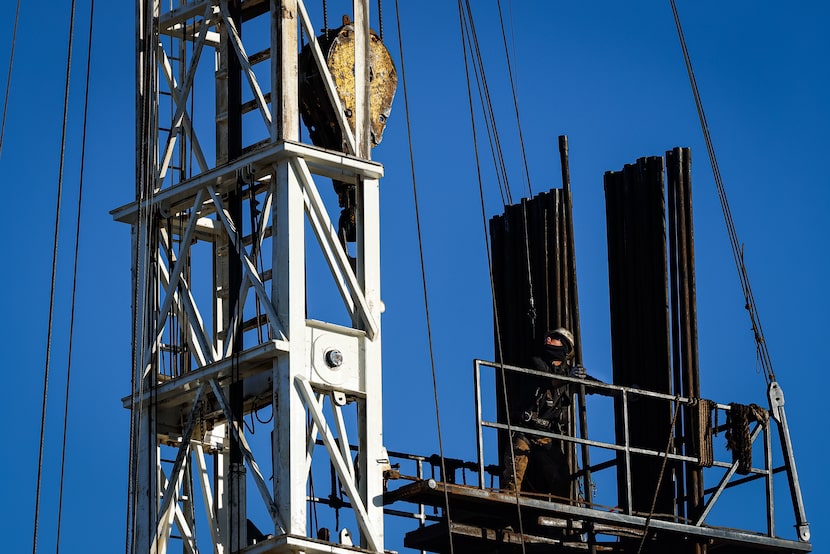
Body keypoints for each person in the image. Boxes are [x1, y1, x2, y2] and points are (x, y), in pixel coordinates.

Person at [502, 328, 586, 497]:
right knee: (514, 473)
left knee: (561, 478)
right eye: (548, 336)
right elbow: (547, 380)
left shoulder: (567, 372)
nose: (548, 339)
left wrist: (624, 393)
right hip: (524, 429)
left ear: (565, 346)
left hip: (547, 434)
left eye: (554, 338)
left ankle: (561, 516)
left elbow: (592, 385)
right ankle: (509, 509)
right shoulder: (536, 363)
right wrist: (569, 378)